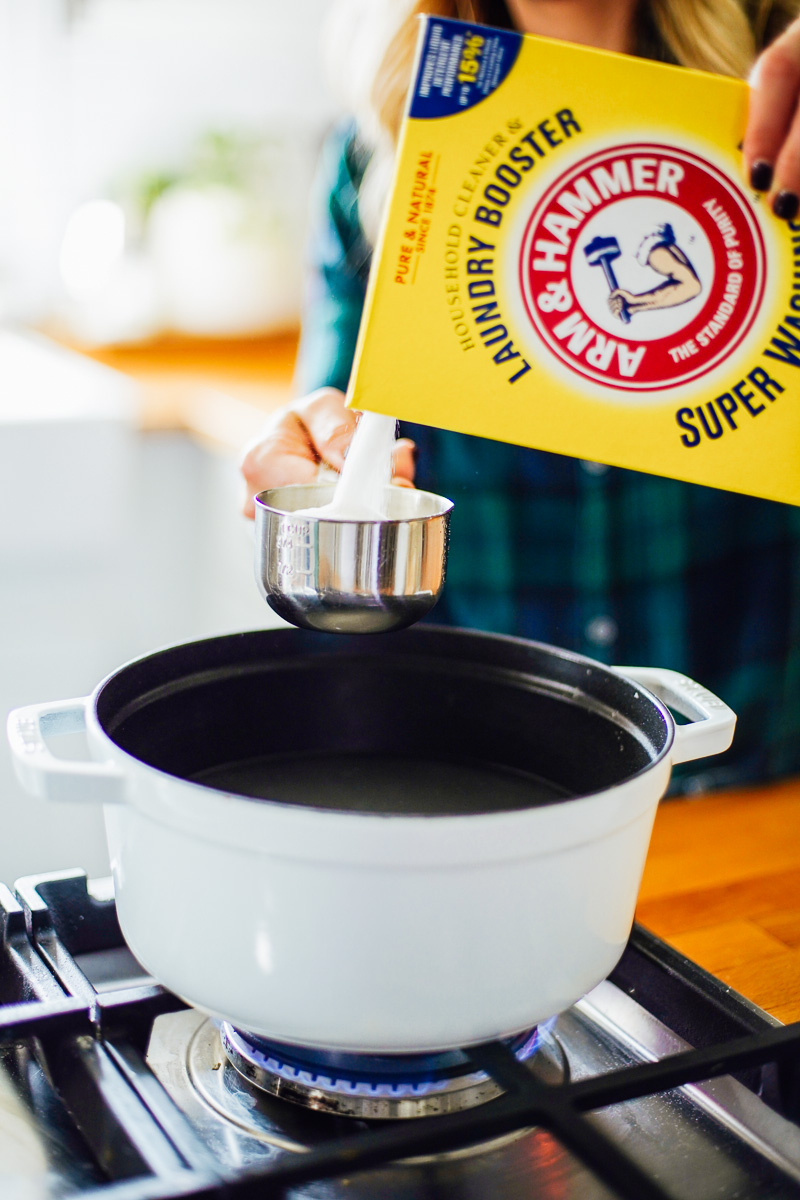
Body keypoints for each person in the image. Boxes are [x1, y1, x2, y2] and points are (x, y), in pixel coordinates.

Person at [241, 0, 800, 792]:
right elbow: (335, 412)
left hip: (749, 771)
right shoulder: (380, 143)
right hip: (482, 777)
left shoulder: (780, 92)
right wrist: (309, 447)